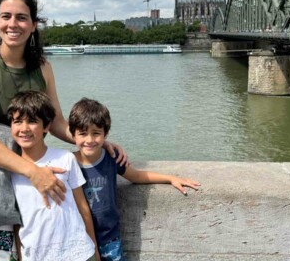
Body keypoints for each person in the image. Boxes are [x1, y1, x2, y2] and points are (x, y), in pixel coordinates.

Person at [0, 0, 127, 261]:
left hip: (34, 181)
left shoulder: (42, 67)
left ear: (34, 25)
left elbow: (57, 121)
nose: (13, 24)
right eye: (6, 16)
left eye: (22, 18)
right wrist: (33, 172)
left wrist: (91, 141)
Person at [69, 98, 201, 261]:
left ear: (106, 134)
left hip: (110, 238)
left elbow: (136, 176)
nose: (89, 140)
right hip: (79, 240)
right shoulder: (68, 163)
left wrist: (170, 178)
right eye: (82, 133)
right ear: (73, 134)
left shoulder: (111, 158)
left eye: (96, 133)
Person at [8, 91, 100, 261]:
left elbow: (83, 209)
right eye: (17, 121)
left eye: (33, 121)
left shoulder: (65, 159)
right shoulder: (11, 171)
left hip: (80, 253)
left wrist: (95, 251)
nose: (24, 129)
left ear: (47, 126)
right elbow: (16, 221)